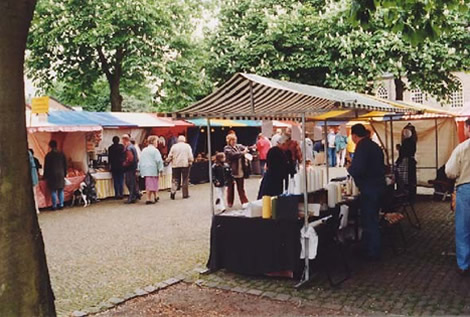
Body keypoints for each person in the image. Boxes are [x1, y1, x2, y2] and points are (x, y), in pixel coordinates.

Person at [347, 124, 385, 260]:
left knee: (369, 220)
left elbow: (358, 169)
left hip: (369, 188)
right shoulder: (374, 146)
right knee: (373, 218)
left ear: (354, 136)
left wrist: (349, 169)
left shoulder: (362, 147)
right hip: (379, 186)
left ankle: (373, 251)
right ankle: (371, 247)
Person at [445, 119, 470, 275]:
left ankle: (464, 264)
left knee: (463, 228)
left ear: (468, 128)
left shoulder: (462, 148)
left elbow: (450, 171)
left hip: (466, 189)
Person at [224, 134, 249, 207]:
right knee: (230, 188)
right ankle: (230, 202)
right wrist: (243, 152)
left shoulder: (238, 146)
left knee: (241, 188)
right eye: (232, 140)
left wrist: (250, 148)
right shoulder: (227, 148)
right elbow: (233, 155)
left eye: (234, 139)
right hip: (232, 170)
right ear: (228, 141)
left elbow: (246, 147)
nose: (233, 141)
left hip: (240, 169)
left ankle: (244, 202)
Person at [167, 135, 194, 200]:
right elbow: (190, 156)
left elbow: (170, 155)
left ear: (178, 140)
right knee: (185, 179)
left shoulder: (174, 146)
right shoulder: (187, 146)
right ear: (184, 140)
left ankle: (173, 192)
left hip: (175, 165)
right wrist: (191, 161)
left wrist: (167, 161)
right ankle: (185, 194)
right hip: (185, 164)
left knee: (175, 179)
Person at [139, 135, 164, 204]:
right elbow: (159, 160)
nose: (157, 143)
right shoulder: (155, 151)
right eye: (156, 141)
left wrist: (139, 169)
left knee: (149, 183)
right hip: (153, 169)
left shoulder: (144, 150)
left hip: (145, 170)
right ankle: (148, 198)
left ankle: (155, 196)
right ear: (153, 141)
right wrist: (161, 169)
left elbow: (140, 160)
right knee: (152, 184)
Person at [44, 140, 67, 210]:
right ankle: (61, 204)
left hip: (52, 174)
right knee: (61, 190)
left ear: (50, 146)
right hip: (61, 173)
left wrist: (45, 176)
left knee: (53, 190)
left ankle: (54, 206)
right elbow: (65, 165)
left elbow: (46, 167)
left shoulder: (48, 155)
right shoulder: (61, 154)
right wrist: (65, 173)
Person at [396, 128, 417, 201]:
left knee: (404, 180)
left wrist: (400, 149)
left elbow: (403, 153)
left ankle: (405, 196)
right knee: (410, 180)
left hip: (405, 163)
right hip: (410, 162)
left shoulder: (406, 142)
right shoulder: (413, 141)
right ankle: (411, 196)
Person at [122, 134, 139, 204]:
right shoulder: (132, 147)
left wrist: (125, 163)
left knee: (129, 182)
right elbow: (136, 158)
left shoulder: (128, 148)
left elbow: (130, 158)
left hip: (129, 168)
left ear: (124, 140)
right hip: (133, 167)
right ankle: (135, 195)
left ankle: (132, 197)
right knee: (132, 182)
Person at [28, 149, 40, 214]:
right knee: (34, 194)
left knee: (33, 194)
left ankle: (35, 209)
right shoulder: (32, 157)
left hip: (31, 178)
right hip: (33, 178)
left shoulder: (27, 154)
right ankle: (36, 209)